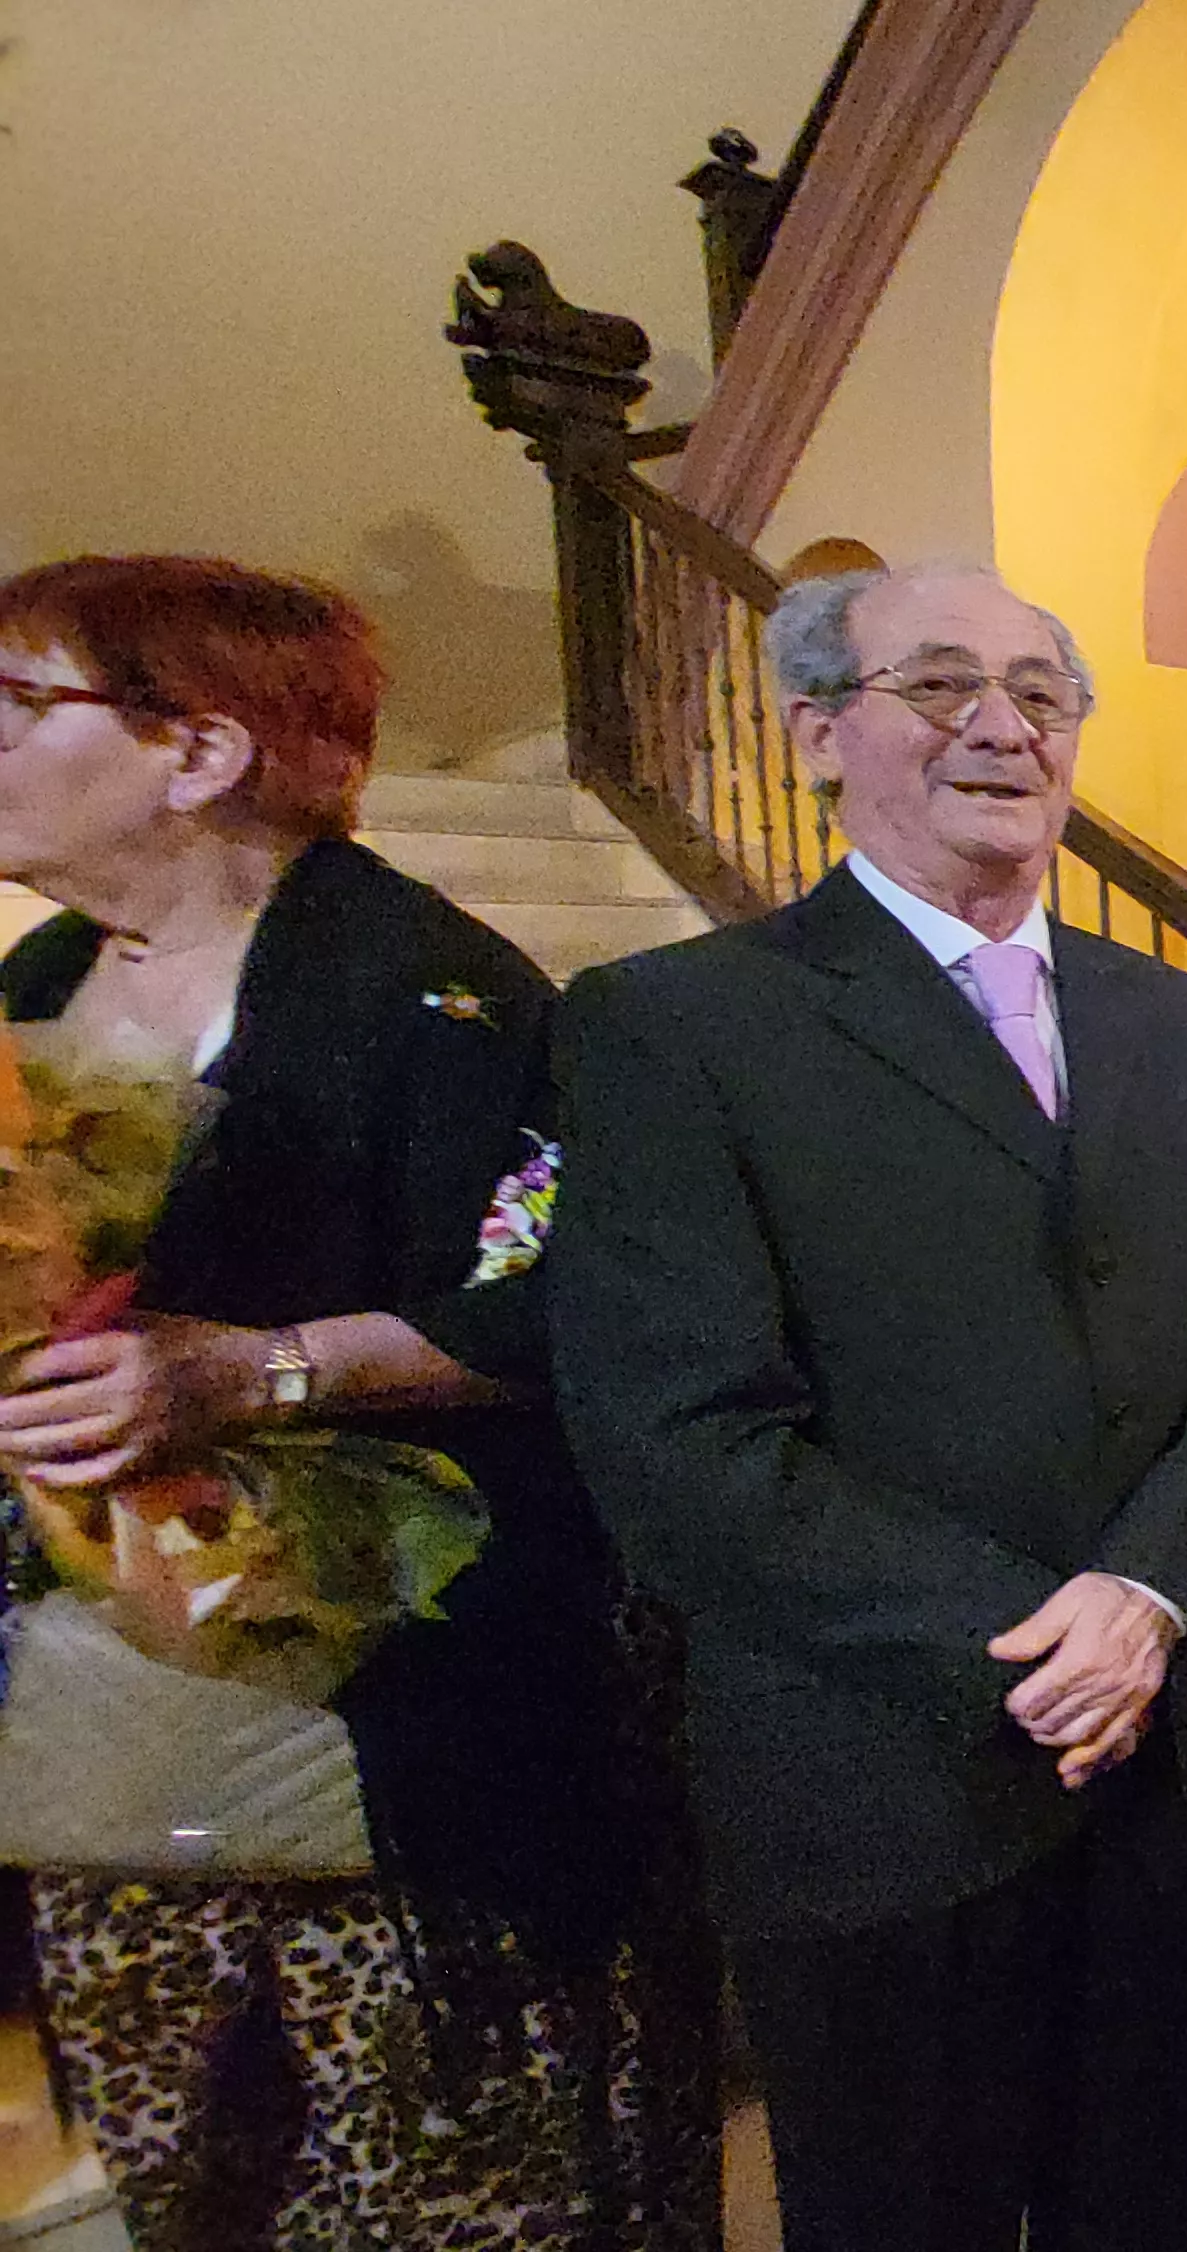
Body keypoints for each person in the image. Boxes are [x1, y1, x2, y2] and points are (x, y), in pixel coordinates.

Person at [547, 561, 1187, 2252]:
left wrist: (1148, 1591)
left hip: (1166, 1746)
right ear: (820, 732)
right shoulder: (678, 1026)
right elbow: (681, 1438)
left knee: (1168, 2204)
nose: (1002, 725)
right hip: (881, 1770)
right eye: (942, 684)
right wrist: (1040, 1636)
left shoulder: (1163, 1009)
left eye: (1042, 693)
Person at [0, 556, 716, 2248]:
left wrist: (251, 1368)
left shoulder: (443, 995)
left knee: (419, 2182)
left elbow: (566, 1307)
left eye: (22, 706)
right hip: (96, 1747)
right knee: (166, 2181)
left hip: (380, 1731)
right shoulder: (34, 984)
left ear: (201, 752)